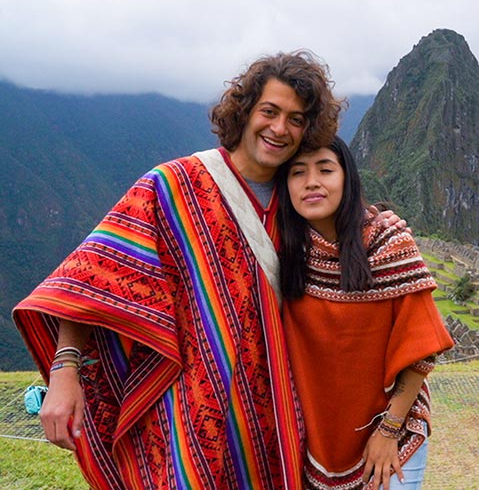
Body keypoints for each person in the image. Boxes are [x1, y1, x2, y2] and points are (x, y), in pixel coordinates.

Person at [13, 51, 400, 489]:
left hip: (278, 420)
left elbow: (351, 237)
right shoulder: (171, 188)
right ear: (245, 110)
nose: (279, 129)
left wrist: (383, 223)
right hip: (184, 416)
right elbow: (93, 277)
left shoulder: (301, 199)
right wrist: (65, 372)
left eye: (296, 119)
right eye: (269, 111)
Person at [276, 137, 455, 489]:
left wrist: (388, 431)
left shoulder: (389, 245)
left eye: (325, 170)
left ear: (348, 178)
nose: (312, 181)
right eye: (298, 173)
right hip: (314, 437)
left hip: (393, 432)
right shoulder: (283, 253)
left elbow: (421, 350)